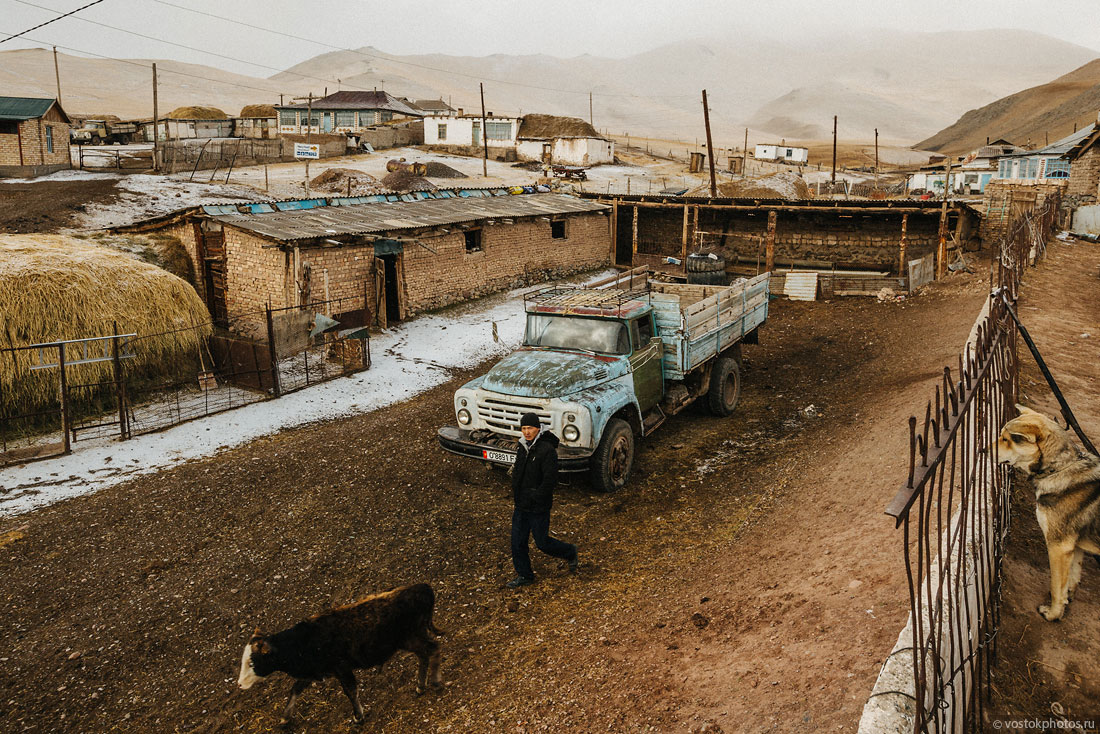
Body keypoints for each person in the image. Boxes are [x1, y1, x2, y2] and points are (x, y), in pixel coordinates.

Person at [507, 412, 578, 588]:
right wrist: (516, 491)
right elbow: (518, 471)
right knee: (517, 542)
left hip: (538, 506)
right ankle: (525, 575)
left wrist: (536, 496)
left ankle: (570, 552)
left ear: (538, 428)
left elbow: (550, 480)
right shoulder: (522, 446)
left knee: (542, 543)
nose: (526, 432)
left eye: (530, 428)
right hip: (521, 504)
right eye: (523, 428)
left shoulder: (547, 450)